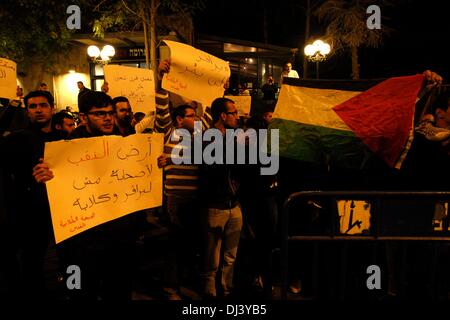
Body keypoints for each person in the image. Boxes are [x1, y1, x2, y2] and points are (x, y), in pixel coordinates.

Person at [33, 91, 135, 300]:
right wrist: (46, 177)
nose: (107, 118)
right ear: (84, 117)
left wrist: (153, 163)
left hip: (117, 241)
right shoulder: (65, 149)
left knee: (118, 291)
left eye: (109, 113)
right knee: (79, 291)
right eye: (99, 114)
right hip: (79, 244)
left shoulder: (123, 144)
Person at [0, 90, 65, 298]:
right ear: (27, 111)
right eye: (33, 106)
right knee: (33, 262)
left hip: (64, 212)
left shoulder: (64, 139)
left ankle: (72, 291)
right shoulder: (16, 140)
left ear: (52, 108)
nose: (38, 110)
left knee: (69, 261)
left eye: (43, 105)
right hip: (30, 214)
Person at [199, 97, 243, 299]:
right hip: (215, 205)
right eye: (233, 113)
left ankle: (226, 288)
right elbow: (213, 169)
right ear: (223, 115)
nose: (237, 116)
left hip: (234, 204)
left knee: (230, 253)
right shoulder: (208, 138)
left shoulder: (234, 137)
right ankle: (210, 291)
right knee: (212, 254)